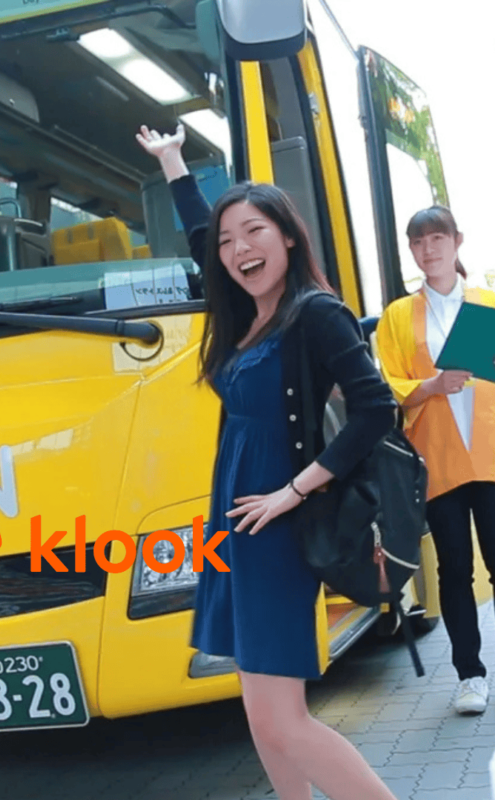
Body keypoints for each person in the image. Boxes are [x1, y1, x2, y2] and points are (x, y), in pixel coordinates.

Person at [135, 123, 399, 800]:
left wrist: (293, 490)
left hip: (279, 530)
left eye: (253, 231)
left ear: (286, 235)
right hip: (238, 531)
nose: (237, 249)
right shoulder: (246, 316)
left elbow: (375, 409)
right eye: (229, 241)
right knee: (262, 717)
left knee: (287, 721)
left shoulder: (316, 315)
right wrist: (172, 164)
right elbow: (202, 236)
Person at [376, 205, 495, 715]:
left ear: (457, 241)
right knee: (454, 569)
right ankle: (470, 675)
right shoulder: (399, 315)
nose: (430, 249)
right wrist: (432, 385)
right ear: (412, 250)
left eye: (437, 238)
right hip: (438, 460)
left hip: (490, 455)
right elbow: (387, 385)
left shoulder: (487, 303)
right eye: (419, 242)